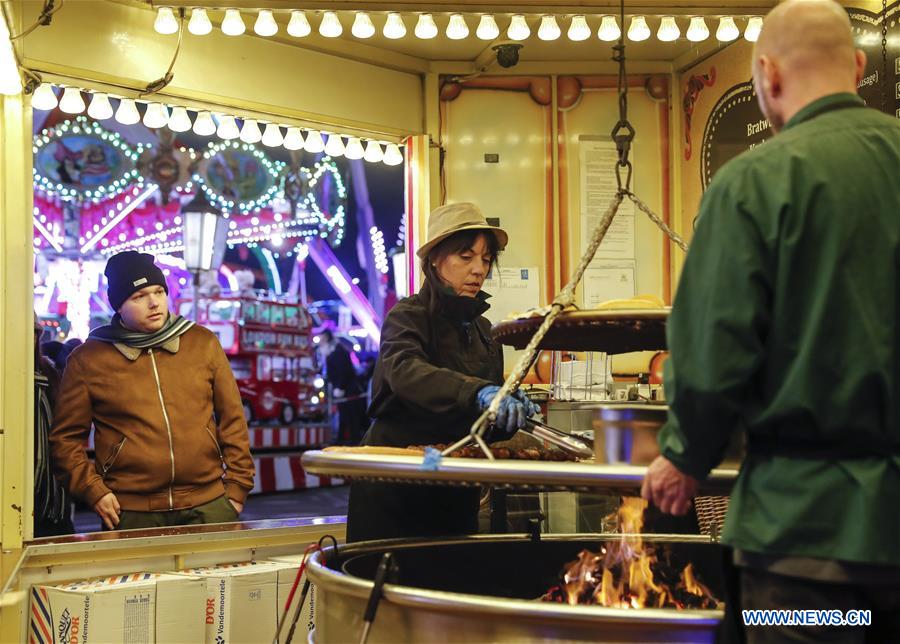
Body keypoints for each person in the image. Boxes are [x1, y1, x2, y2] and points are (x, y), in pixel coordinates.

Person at [640, 1, 900, 641]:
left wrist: (685, 456)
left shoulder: (751, 184)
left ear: (766, 75)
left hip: (802, 550)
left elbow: (713, 349)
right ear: (859, 67)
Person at [346, 202, 538, 542]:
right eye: (466, 257)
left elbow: (477, 427)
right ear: (435, 258)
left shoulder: (484, 331)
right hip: (395, 491)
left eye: (486, 259)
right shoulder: (407, 317)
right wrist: (477, 392)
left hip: (453, 492)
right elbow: (406, 371)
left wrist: (506, 414)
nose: (479, 269)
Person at [50, 251, 255, 531]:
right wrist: (93, 490)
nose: (154, 302)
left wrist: (237, 490)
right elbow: (65, 440)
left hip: (209, 505)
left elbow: (233, 419)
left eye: (159, 291)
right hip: (130, 512)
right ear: (119, 306)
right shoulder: (89, 359)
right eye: (139, 296)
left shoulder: (202, 343)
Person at [33, 314, 74, 537]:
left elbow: (65, 435)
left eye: (34, 332)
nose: (28, 337)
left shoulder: (49, 375)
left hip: (53, 501)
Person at [319, 328, 367, 445]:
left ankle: (351, 442)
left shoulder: (337, 352)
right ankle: (342, 440)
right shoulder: (333, 351)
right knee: (344, 417)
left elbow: (343, 371)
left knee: (351, 418)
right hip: (343, 390)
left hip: (348, 390)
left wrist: (340, 387)